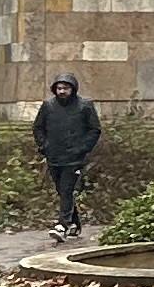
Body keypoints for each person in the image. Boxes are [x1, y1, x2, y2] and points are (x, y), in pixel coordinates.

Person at [32, 73, 103, 237]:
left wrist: (83, 148)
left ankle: (62, 226)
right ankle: (75, 223)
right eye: (59, 88)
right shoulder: (48, 106)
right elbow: (38, 127)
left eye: (65, 88)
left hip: (75, 157)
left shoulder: (84, 106)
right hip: (54, 156)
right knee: (63, 191)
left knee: (66, 189)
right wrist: (44, 145)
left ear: (73, 89)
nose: (62, 91)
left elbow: (94, 129)